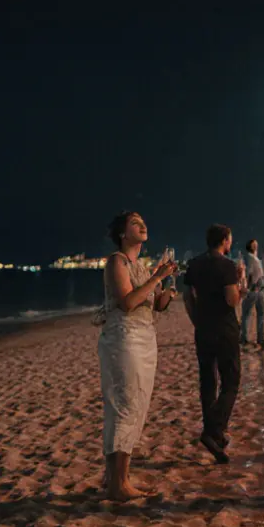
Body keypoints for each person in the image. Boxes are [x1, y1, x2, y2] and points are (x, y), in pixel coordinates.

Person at [97, 212, 178, 500]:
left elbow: (155, 305)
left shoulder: (141, 267)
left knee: (137, 406)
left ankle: (117, 480)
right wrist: (158, 275)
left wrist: (167, 290)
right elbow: (128, 302)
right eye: (135, 222)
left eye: (144, 221)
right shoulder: (116, 261)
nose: (143, 225)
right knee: (124, 406)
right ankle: (118, 484)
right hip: (124, 339)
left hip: (145, 339)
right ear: (122, 233)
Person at [183, 224, 245, 464]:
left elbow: (188, 297)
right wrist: (240, 285)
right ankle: (214, 430)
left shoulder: (195, 264)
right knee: (231, 380)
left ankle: (214, 434)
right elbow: (232, 300)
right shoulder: (227, 266)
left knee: (208, 380)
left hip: (203, 328)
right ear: (225, 240)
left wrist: (196, 320)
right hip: (225, 328)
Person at [238, 239, 264, 349]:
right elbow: (249, 274)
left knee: (260, 313)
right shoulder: (251, 258)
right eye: (254, 244)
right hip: (254, 289)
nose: (256, 245)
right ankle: (244, 338)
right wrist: (249, 288)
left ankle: (260, 338)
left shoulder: (254, 258)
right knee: (247, 314)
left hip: (259, 289)